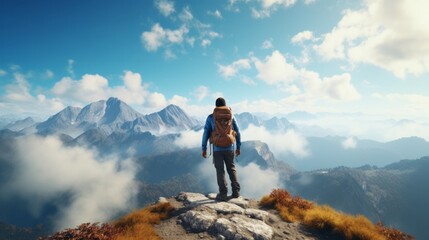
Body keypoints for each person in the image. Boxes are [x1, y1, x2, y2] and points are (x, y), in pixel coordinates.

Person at [202, 97, 241, 201]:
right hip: (229, 148)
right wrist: (238, 147)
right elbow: (238, 131)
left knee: (220, 171)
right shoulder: (231, 116)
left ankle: (223, 194)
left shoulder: (211, 117)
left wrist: (204, 148)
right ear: (225, 105)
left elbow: (206, 133)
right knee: (231, 169)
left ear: (216, 106)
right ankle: (236, 192)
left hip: (217, 149)